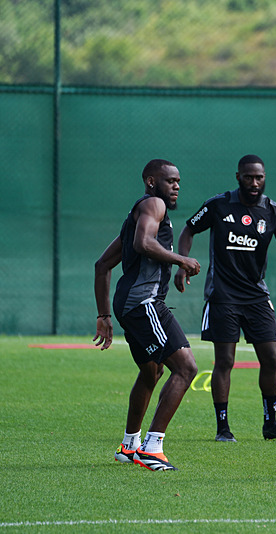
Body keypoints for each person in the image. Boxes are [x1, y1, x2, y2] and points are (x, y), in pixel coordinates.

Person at [175, 154, 276, 443]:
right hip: (223, 295)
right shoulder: (219, 205)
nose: (254, 182)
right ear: (238, 177)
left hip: (257, 296)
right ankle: (223, 428)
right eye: (248, 177)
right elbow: (189, 229)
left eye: (259, 177)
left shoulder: (273, 212)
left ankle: (271, 424)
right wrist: (183, 262)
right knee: (225, 361)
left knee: (271, 358)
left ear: (265, 177)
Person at [93, 159, 201, 471]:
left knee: (151, 372)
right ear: (151, 182)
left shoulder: (138, 213)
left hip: (128, 304)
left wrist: (104, 314)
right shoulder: (154, 205)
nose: (176, 187)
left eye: (179, 181)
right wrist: (181, 259)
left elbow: (102, 265)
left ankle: (129, 446)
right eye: (170, 181)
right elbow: (144, 243)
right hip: (145, 303)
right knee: (186, 368)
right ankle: (152, 448)